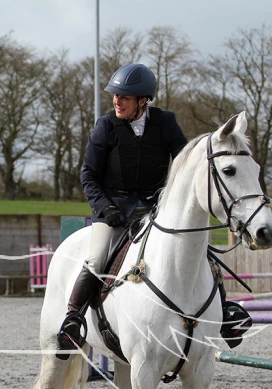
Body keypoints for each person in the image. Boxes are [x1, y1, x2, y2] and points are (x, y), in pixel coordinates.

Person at [56, 63, 188, 356]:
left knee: (191, 246)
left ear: (143, 101)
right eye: (115, 96)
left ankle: (225, 311)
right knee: (97, 258)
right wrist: (106, 207)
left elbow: (185, 163)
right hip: (113, 210)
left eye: (124, 97)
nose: (117, 101)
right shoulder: (106, 126)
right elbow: (88, 175)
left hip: (155, 209)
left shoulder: (166, 123)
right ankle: (73, 319)